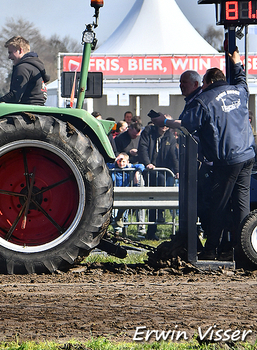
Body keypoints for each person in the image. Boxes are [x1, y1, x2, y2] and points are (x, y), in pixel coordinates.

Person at [153, 49, 256, 260]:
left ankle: (211, 249)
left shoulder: (205, 99)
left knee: (217, 206)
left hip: (226, 160)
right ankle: (244, 249)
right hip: (248, 156)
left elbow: (186, 125)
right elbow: (241, 78)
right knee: (241, 205)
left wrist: (163, 121)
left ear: (206, 82)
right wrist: (236, 61)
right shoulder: (239, 90)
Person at [0, 36, 50, 136]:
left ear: (20, 50)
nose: (9, 57)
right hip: (33, 111)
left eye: (10, 52)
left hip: (24, 113)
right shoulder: (35, 67)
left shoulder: (23, 67)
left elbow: (14, 97)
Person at [138, 115, 179, 240]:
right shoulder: (148, 132)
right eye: (162, 125)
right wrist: (147, 163)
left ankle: (160, 214)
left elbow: (173, 154)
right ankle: (151, 231)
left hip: (163, 171)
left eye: (166, 125)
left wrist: (177, 170)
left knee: (160, 193)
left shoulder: (170, 137)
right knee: (151, 202)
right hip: (149, 171)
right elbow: (143, 148)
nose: (164, 128)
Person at [107, 152, 145, 236]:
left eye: (123, 161)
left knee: (124, 214)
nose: (121, 163)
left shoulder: (129, 168)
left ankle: (125, 231)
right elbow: (106, 165)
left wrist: (137, 172)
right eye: (119, 161)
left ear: (127, 162)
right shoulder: (113, 168)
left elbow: (141, 165)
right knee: (114, 213)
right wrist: (115, 160)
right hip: (115, 193)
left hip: (125, 193)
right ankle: (117, 231)